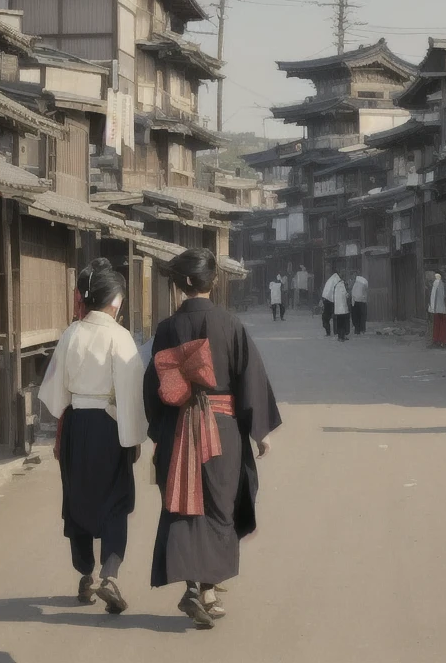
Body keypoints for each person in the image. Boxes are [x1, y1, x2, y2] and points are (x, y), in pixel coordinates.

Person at [144, 248, 282, 629]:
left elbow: (154, 386)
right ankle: (207, 590)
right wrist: (260, 432)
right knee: (220, 506)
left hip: (178, 427)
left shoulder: (167, 329)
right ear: (211, 282)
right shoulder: (231, 325)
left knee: (183, 504)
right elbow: (249, 378)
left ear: (182, 284)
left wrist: (160, 431)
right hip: (222, 430)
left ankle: (193, 587)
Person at [38, 259, 146, 615]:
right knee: (116, 498)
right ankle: (109, 574)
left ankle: (85, 575)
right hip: (111, 426)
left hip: (76, 426)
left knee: (77, 497)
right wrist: (133, 439)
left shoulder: (72, 333)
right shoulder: (120, 337)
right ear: (115, 300)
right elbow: (131, 391)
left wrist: (63, 426)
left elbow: (55, 391)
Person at [429, 272, 446, 348]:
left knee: (442, 324)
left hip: (442, 308)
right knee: (438, 324)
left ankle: (443, 341)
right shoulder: (434, 285)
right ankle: (438, 340)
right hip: (437, 308)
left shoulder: (444, 286)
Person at [321, 263, 342, 337]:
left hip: (330, 300)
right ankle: (333, 332)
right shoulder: (334, 279)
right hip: (330, 300)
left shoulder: (334, 279)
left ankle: (331, 332)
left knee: (327, 317)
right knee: (331, 317)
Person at [333, 274, 351, 342]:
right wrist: (348, 294)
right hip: (342, 308)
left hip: (338, 308)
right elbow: (345, 295)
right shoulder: (341, 286)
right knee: (343, 322)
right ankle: (342, 336)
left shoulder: (336, 286)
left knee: (339, 322)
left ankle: (340, 336)